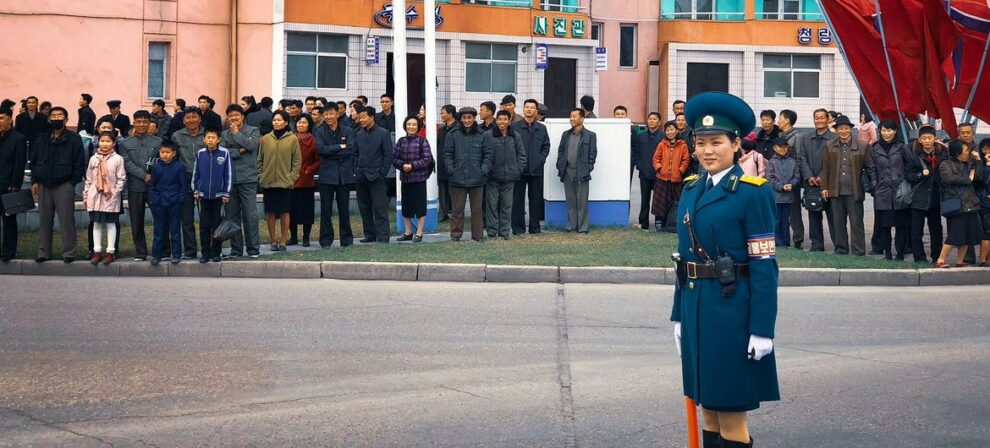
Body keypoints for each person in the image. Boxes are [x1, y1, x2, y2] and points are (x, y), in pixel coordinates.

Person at [671, 92, 779, 448]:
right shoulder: (691, 189)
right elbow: (683, 260)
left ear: (736, 144)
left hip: (733, 313)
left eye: (717, 142)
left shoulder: (752, 193)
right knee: (709, 409)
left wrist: (762, 330)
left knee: (731, 412)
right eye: (700, 143)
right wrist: (678, 316)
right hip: (697, 309)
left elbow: (764, 265)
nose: (707, 151)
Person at [30, 107, 87, 263]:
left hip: (64, 184)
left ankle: (68, 253)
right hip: (43, 184)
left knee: (67, 220)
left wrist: (72, 182)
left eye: (59, 115)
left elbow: (79, 163)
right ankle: (43, 252)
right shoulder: (41, 138)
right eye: (53, 116)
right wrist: (35, 180)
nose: (56, 118)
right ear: (49, 119)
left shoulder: (74, 139)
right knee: (44, 220)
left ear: (66, 119)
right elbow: (34, 161)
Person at [820, 115, 875, 256]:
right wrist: (824, 187)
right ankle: (841, 250)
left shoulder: (863, 146)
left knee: (856, 223)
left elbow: (870, 168)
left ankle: (858, 251)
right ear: (836, 130)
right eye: (840, 129)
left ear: (851, 129)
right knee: (838, 223)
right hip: (835, 190)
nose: (843, 131)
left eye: (846, 128)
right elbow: (825, 170)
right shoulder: (830, 145)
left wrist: (872, 185)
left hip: (855, 191)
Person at [118, 110, 163, 261]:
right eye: (139, 121)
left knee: (160, 219)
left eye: (145, 121)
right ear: (134, 122)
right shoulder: (125, 143)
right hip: (135, 187)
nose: (142, 124)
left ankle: (164, 250)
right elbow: (127, 163)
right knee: (136, 221)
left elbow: (161, 161)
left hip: (154, 188)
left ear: (150, 123)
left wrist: (153, 176)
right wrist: (144, 175)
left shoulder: (158, 142)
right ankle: (140, 252)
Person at [444, 107, 493, 242]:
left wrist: (483, 170)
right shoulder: (452, 134)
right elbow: (447, 155)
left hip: (477, 178)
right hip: (457, 178)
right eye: (464, 118)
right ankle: (455, 235)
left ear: (474, 118)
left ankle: (477, 236)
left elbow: (488, 155)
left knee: (477, 210)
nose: (467, 120)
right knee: (457, 210)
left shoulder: (483, 135)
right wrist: (451, 171)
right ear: (460, 119)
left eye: (469, 117)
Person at [221, 103, 262, 258]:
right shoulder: (224, 134)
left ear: (242, 117)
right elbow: (224, 153)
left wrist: (237, 134)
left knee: (250, 215)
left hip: (248, 179)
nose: (233, 118)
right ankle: (236, 249)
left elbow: (252, 145)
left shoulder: (253, 130)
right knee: (231, 216)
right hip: (230, 180)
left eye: (236, 115)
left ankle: (253, 249)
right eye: (230, 116)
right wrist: (240, 151)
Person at [258, 110, 301, 251]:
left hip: (285, 182)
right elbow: (259, 160)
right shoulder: (265, 139)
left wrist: (291, 178)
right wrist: (261, 176)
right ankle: (272, 241)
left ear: (286, 122)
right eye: (274, 120)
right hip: (268, 181)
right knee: (270, 212)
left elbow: (296, 162)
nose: (276, 122)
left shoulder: (292, 139)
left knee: (284, 212)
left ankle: (283, 241)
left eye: (279, 120)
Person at [904, 125, 947, 264]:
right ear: (919, 140)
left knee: (936, 230)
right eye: (924, 138)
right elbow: (908, 175)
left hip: (936, 197)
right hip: (918, 198)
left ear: (935, 139)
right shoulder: (914, 155)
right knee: (916, 231)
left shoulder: (943, 154)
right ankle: (919, 257)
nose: (927, 141)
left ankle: (936, 256)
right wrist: (920, 175)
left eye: (930, 138)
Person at [315, 104, 356, 248]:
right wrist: (339, 147)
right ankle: (326, 240)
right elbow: (321, 150)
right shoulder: (319, 131)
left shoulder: (348, 130)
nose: (328, 117)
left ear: (337, 114)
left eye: (331, 113)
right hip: (326, 176)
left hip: (344, 176)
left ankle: (347, 240)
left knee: (344, 209)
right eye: (325, 114)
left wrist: (332, 151)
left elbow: (350, 150)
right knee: (326, 210)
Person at [936, 140, 982, 268]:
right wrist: (968, 180)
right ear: (957, 152)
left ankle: (960, 261)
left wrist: (978, 160)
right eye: (965, 150)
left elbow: (978, 177)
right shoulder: (945, 164)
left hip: (971, 203)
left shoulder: (970, 163)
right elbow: (950, 179)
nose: (968, 152)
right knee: (954, 235)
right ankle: (941, 260)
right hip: (956, 204)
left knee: (967, 236)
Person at [83, 132, 126, 265]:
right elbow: (89, 178)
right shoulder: (93, 159)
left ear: (113, 143)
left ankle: (110, 252)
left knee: (110, 224)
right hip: (95, 196)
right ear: (98, 142)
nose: (105, 144)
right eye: (102, 141)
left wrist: (114, 193)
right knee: (96, 223)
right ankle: (97, 252)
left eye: (108, 141)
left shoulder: (118, 159)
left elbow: (121, 178)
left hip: (110, 197)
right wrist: (86, 195)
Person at [870, 120, 911, 260]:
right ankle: (887, 255)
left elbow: (909, 166)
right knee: (884, 226)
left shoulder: (902, 147)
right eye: (884, 130)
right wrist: (875, 185)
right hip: (882, 192)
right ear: (879, 131)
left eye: (890, 130)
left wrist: (905, 183)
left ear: (895, 131)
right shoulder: (874, 148)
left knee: (901, 226)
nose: (887, 133)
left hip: (900, 191)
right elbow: (871, 169)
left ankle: (900, 255)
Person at [352, 106, 393, 243]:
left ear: (371, 117)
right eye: (359, 117)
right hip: (361, 176)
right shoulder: (358, 134)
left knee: (380, 208)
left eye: (363, 117)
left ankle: (383, 236)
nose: (361, 120)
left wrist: (382, 173)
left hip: (377, 177)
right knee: (364, 208)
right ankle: (370, 235)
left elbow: (388, 155)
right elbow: (355, 153)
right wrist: (356, 169)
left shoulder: (383, 133)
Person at [192, 129, 232, 262]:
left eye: (213, 137)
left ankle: (216, 252)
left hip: (218, 197)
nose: (210, 140)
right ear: (204, 139)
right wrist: (196, 190)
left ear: (218, 139)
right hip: (203, 197)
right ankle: (205, 253)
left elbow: (228, 174)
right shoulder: (200, 153)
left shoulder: (224, 153)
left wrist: (226, 192)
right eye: (208, 137)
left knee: (217, 226)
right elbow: (195, 173)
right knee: (204, 226)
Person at [511, 99, 550, 235]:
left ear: (536, 111)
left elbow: (546, 146)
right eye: (526, 107)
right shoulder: (515, 127)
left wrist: (541, 160)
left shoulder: (542, 128)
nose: (529, 109)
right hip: (519, 170)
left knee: (535, 200)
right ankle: (518, 228)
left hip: (536, 169)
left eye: (532, 107)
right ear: (523, 109)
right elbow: (511, 146)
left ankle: (535, 228)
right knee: (517, 200)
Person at [171, 106, 206, 259]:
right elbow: (173, 159)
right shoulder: (177, 136)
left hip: (204, 180)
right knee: (186, 219)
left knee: (207, 219)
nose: (191, 120)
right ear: (183, 120)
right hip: (183, 181)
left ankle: (208, 250)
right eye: (188, 118)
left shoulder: (207, 135)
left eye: (194, 117)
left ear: (200, 119)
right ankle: (190, 251)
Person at [393, 116, 435, 242]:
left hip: (419, 179)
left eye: (414, 125)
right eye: (409, 124)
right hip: (405, 179)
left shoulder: (423, 141)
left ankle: (419, 233)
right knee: (406, 207)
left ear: (418, 126)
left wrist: (412, 166)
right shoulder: (400, 141)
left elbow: (427, 159)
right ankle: (408, 232)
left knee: (420, 207)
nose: (411, 127)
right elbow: (394, 158)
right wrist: (402, 165)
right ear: (405, 126)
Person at [555, 108, 598, 233]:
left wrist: (589, 167)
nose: (571, 119)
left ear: (582, 119)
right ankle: (571, 225)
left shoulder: (590, 135)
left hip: (582, 172)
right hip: (567, 170)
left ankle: (583, 227)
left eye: (574, 116)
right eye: (570, 116)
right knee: (570, 200)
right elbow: (561, 151)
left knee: (582, 201)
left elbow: (592, 154)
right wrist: (560, 164)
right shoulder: (566, 134)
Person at [486, 110, 526, 240]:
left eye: (505, 119)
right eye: (499, 119)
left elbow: (521, 155)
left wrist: (518, 169)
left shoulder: (515, 136)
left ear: (509, 121)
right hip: (492, 177)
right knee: (492, 205)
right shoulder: (488, 135)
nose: (502, 122)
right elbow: (484, 154)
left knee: (507, 205)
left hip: (510, 177)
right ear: (496, 120)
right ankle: (492, 230)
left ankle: (504, 231)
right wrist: (487, 171)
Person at [802, 108, 836, 252]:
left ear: (828, 119)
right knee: (813, 214)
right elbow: (802, 158)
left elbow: (834, 160)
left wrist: (822, 176)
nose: (819, 120)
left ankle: (839, 245)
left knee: (834, 216)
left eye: (822, 117)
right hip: (811, 183)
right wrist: (809, 176)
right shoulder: (806, 138)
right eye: (816, 118)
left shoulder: (834, 138)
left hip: (829, 183)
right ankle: (817, 245)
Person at [148, 141, 187, 265]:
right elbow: (152, 185)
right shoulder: (156, 167)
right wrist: (154, 199)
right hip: (159, 203)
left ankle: (176, 254)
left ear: (174, 153)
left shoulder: (179, 167)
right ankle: (156, 255)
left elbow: (183, 185)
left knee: (175, 230)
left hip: (174, 203)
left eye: (167, 152)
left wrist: (180, 199)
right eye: (162, 152)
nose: (164, 155)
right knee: (159, 230)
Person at [651, 120, 690, 232]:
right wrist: (660, 168)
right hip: (662, 179)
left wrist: (680, 171)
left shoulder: (682, 145)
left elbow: (685, 160)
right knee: (660, 203)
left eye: (672, 129)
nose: (670, 132)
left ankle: (673, 223)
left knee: (676, 202)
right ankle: (659, 223)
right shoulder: (661, 144)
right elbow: (656, 159)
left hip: (676, 179)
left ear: (677, 131)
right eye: (667, 130)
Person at [0, 106, 27, 262]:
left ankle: (8, 252)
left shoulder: (18, 138)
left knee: (9, 221)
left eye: (2, 118)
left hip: (8, 186)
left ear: (10, 119)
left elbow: (19, 163)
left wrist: (15, 184)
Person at [288, 115, 320, 247]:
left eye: (304, 123)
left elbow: (318, 161)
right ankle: (293, 237)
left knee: (306, 211)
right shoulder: (290, 138)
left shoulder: (313, 140)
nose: (300, 125)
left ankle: (306, 238)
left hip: (306, 180)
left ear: (309, 125)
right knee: (291, 210)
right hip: (291, 179)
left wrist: (309, 170)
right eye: (299, 122)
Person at [777, 109, 806, 250]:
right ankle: (783, 238)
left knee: (794, 211)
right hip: (779, 180)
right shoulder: (781, 135)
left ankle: (798, 239)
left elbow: (799, 159)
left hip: (791, 180)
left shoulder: (797, 137)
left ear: (787, 120)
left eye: (780, 118)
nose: (778, 120)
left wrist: (795, 179)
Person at [766, 137, 801, 247]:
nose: (783, 149)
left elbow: (797, 176)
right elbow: (770, 179)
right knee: (776, 220)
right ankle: (777, 242)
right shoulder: (771, 162)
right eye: (780, 147)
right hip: (775, 197)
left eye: (785, 147)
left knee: (786, 221)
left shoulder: (792, 162)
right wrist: (781, 187)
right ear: (774, 148)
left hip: (788, 197)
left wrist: (792, 184)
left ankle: (786, 242)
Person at [632, 113, 664, 230]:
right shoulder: (641, 136)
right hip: (644, 173)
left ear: (659, 122)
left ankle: (659, 222)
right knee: (644, 199)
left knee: (658, 200)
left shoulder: (663, 137)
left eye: (654, 119)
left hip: (659, 174)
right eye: (650, 119)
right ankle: (643, 222)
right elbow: (636, 152)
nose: (652, 121)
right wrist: (639, 165)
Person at [437, 104, 459, 222]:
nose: (441, 115)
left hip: (454, 165)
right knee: (442, 192)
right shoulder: (441, 129)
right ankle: (442, 214)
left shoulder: (458, 128)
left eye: (443, 113)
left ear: (450, 114)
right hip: (441, 165)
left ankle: (455, 214)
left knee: (454, 192)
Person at [977, 138, 990, 266]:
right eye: (984, 148)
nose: (987, 151)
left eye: (988, 148)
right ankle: (982, 259)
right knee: (987, 231)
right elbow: (982, 180)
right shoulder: (981, 164)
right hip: (985, 202)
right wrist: (987, 165)